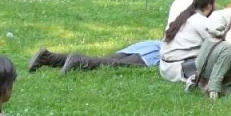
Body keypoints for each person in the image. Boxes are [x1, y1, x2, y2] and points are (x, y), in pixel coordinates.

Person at [159, 0, 216, 84]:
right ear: (209, 6)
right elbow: (217, 44)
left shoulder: (183, 17)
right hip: (182, 69)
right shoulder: (200, 21)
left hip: (165, 68)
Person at [29, 41, 158, 73]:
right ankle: (79, 61)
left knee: (108, 60)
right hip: (158, 53)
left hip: (149, 45)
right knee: (114, 64)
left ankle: (48, 57)